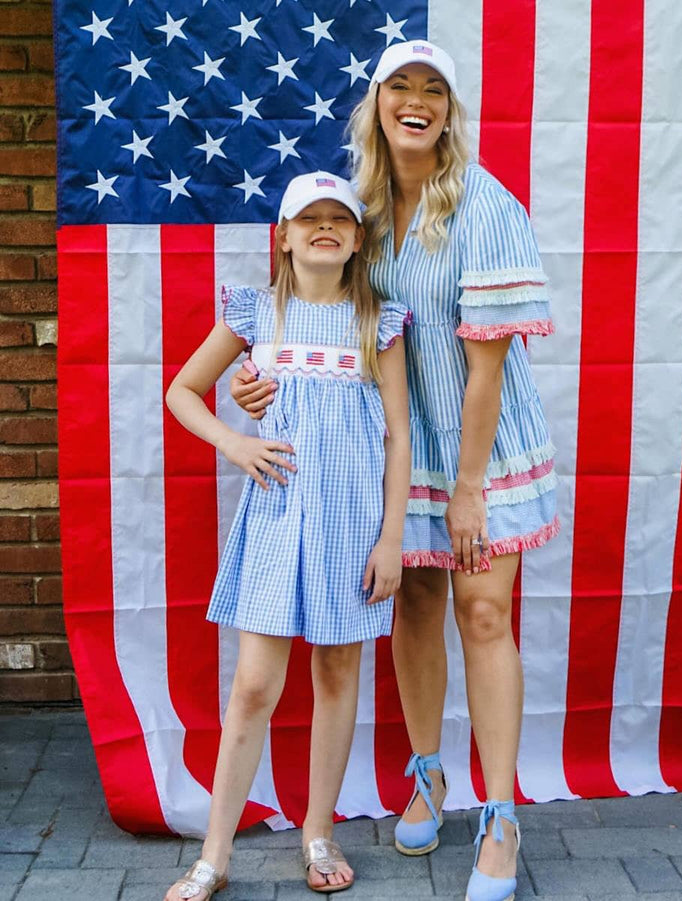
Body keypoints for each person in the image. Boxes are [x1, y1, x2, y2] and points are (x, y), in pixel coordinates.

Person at [230, 41, 558, 901]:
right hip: (394, 445)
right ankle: (427, 772)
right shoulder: (360, 208)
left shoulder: (485, 205)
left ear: (450, 109)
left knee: (482, 611)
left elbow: (486, 370)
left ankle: (500, 814)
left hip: (482, 446)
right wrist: (258, 380)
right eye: (400, 86)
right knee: (414, 605)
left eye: (433, 89)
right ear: (376, 103)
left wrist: (470, 489)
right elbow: (315, 317)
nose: (417, 101)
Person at [163, 171, 410, 900]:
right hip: (277, 516)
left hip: (351, 521)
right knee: (253, 685)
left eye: (340, 218)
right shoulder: (256, 312)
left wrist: (390, 537)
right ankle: (214, 854)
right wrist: (234, 441)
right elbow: (182, 390)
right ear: (285, 236)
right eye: (310, 218)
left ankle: (318, 832)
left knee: (336, 673)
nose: (324, 227)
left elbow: (399, 434)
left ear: (357, 240)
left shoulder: (378, 322)